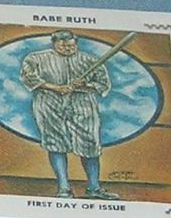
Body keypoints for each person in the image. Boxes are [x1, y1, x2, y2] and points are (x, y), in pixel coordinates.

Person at [20, 31, 119, 199]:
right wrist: (56, 87)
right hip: (49, 102)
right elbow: (29, 78)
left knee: (90, 144)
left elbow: (103, 84)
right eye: (63, 46)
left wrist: (85, 84)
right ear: (54, 44)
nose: (67, 49)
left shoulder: (90, 60)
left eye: (71, 46)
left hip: (83, 103)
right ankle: (64, 188)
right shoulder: (36, 58)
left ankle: (94, 188)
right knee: (55, 143)